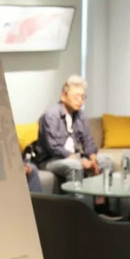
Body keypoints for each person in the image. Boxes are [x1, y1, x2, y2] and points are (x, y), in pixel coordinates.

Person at [36, 75, 116, 216]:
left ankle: (101, 206)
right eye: (76, 97)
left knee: (107, 162)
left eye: (83, 97)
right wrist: (80, 161)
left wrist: (92, 158)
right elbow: (54, 147)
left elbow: (88, 140)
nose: (80, 101)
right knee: (75, 166)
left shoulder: (80, 115)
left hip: (73, 156)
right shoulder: (50, 115)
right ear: (64, 96)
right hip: (50, 159)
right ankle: (78, 213)